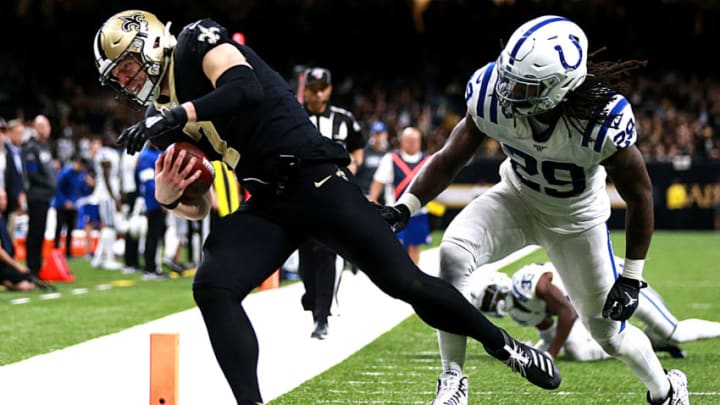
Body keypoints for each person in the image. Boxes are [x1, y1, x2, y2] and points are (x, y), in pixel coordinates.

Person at [93, 10, 560, 404]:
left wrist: (178, 113)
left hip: (314, 176)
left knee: (406, 283)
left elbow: (244, 88)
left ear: (151, 41)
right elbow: (199, 206)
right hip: (270, 199)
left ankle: (505, 347)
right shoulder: (162, 121)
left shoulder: (197, 41)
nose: (128, 81)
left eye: (128, 66)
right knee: (213, 284)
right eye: (119, 78)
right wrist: (168, 195)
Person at [378, 15, 688, 405]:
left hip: (576, 221)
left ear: (560, 88)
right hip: (516, 197)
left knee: (608, 333)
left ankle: (666, 389)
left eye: (523, 86)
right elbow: (449, 156)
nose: (507, 91)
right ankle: (453, 380)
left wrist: (631, 277)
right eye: (508, 77)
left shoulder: (599, 122)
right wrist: (405, 207)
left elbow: (641, 195)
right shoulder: (492, 93)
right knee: (454, 255)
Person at [471, 260, 720, 361]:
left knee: (674, 331)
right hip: (591, 304)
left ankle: (666, 338)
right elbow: (549, 332)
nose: (491, 305)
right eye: (486, 305)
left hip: (614, 283)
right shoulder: (519, 312)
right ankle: (653, 342)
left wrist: (551, 354)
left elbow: (566, 311)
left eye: (489, 297)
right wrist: (540, 352)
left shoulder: (526, 281)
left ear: (498, 283)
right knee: (578, 351)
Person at [298, 66, 365, 339]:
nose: (316, 94)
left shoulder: (343, 119)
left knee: (326, 252)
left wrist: (354, 167)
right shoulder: (295, 115)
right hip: (300, 195)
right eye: (311, 89)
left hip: (333, 195)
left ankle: (321, 317)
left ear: (328, 90)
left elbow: (358, 144)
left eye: (320, 88)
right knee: (305, 259)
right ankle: (313, 297)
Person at [369, 126, 432, 265]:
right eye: (408, 140)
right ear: (402, 141)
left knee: (415, 246)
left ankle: (415, 274)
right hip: (395, 210)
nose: (412, 143)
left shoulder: (428, 160)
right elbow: (379, 181)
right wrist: (373, 200)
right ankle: (399, 272)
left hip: (419, 211)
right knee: (396, 245)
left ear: (420, 142)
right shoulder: (391, 158)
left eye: (415, 140)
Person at [23, 114, 58, 278]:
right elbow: (32, 173)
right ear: (36, 128)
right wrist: (48, 183)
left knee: (41, 231)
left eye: (48, 126)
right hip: (36, 195)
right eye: (44, 126)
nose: (47, 129)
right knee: (35, 232)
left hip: (45, 196)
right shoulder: (31, 147)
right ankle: (32, 268)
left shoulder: (45, 147)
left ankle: (36, 267)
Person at [136, 144, 169, 280]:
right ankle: (150, 268)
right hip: (153, 202)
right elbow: (148, 181)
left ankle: (154, 266)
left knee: (157, 235)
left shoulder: (156, 153)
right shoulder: (146, 156)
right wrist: (161, 199)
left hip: (157, 200)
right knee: (153, 235)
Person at [53, 154, 91, 258]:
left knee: (70, 229)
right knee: (59, 227)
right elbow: (58, 188)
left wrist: (89, 184)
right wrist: (65, 201)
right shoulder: (66, 172)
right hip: (61, 205)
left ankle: (68, 253)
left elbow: (82, 190)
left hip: (74, 205)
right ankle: (56, 251)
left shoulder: (82, 174)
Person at [355, 120, 390, 200]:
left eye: (381, 133)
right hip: (364, 195)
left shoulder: (389, 154)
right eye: (376, 134)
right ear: (371, 135)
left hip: (382, 198)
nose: (379, 137)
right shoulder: (363, 152)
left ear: (386, 135)